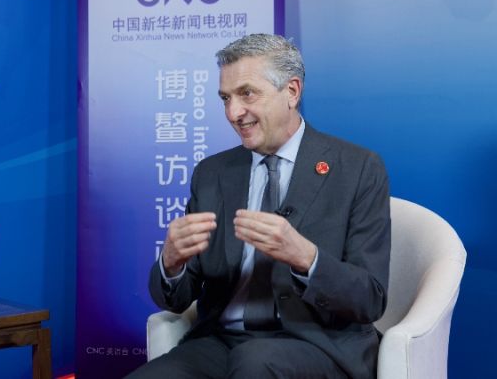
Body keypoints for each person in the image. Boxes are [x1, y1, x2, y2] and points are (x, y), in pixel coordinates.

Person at [127, 34, 390, 379]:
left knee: (255, 363)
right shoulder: (213, 173)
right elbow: (176, 300)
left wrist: (307, 258)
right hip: (222, 343)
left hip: (318, 344)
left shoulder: (357, 168)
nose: (233, 113)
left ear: (292, 91)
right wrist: (171, 263)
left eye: (247, 94)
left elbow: (370, 298)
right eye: (225, 98)